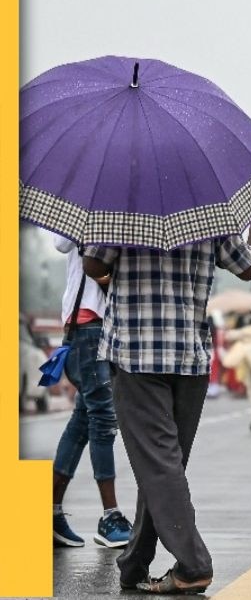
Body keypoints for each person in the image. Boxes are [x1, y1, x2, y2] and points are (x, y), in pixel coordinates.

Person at [82, 192, 251, 594]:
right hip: (189, 360)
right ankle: (134, 562)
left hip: (136, 354)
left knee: (158, 465)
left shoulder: (125, 201)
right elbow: (246, 267)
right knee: (163, 465)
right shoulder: (208, 206)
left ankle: (194, 565)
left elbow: (93, 263)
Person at [49, 236, 133, 550]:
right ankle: (110, 516)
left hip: (106, 324)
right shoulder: (83, 205)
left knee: (83, 421)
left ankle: (49, 510)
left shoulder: (120, 209)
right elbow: (59, 244)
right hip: (87, 324)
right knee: (102, 418)